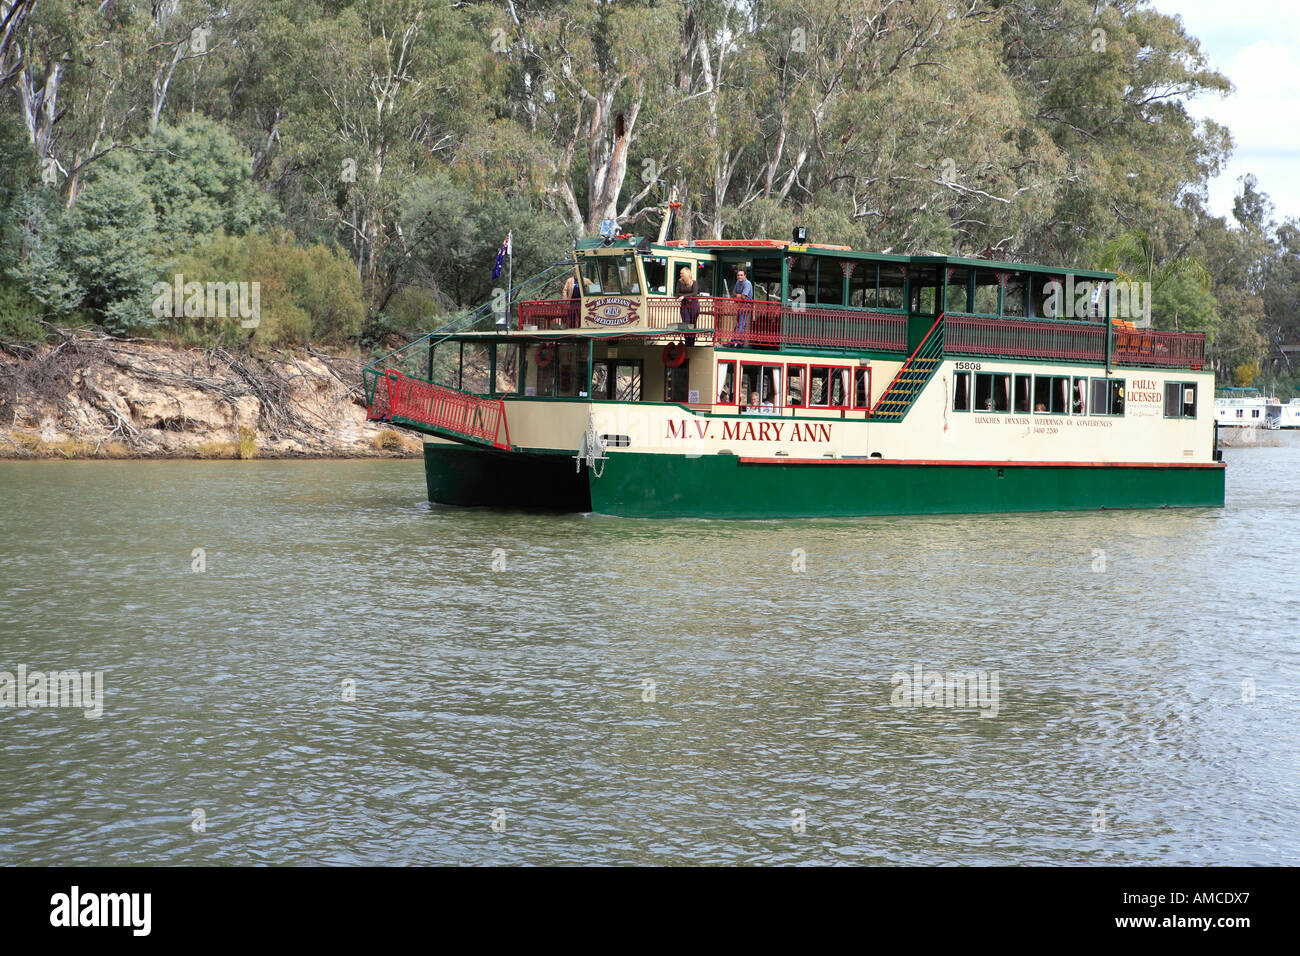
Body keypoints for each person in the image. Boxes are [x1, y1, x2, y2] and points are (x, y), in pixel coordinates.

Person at [732, 268, 753, 342]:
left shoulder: (747, 283)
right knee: (739, 324)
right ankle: (739, 343)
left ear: (745, 276)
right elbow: (733, 293)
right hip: (740, 305)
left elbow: (744, 297)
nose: (739, 277)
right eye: (738, 275)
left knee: (741, 324)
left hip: (746, 305)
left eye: (741, 275)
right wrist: (739, 295)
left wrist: (737, 295)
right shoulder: (738, 282)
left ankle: (735, 342)